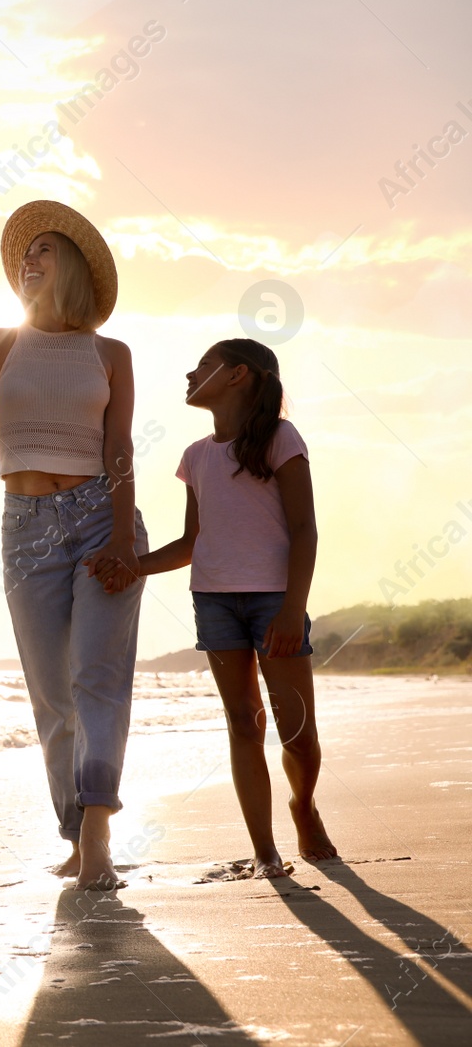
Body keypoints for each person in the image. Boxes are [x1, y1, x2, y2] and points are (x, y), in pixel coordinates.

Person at [0, 200, 145, 890]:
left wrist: (120, 534)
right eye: (26, 253)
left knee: (97, 679)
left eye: (45, 249)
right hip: (24, 524)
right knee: (52, 692)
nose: (30, 259)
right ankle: (76, 831)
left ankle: (99, 836)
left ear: (72, 266)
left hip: (100, 517)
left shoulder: (111, 354)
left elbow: (118, 450)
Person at [115, 338, 338, 877]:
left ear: (239, 375)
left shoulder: (282, 440)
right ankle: (265, 852)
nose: (190, 375)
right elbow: (194, 540)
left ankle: (303, 806)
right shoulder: (196, 456)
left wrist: (292, 608)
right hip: (213, 601)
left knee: (296, 731)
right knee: (244, 723)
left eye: (204, 366)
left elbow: (305, 530)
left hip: (274, 601)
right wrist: (133, 565)